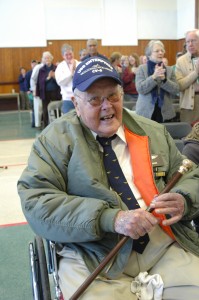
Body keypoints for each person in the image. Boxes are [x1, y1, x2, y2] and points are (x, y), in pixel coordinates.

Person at [18, 57, 199, 300]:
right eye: (94, 99)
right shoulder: (53, 142)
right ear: (76, 103)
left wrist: (183, 198)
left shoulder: (152, 131)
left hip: (162, 242)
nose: (107, 106)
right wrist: (109, 218)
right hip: (91, 252)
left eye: (113, 96)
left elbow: (191, 176)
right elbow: (36, 201)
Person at [135, 40, 179, 123]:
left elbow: (176, 89)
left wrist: (165, 80)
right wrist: (153, 77)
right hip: (145, 113)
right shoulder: (142, 68)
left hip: (165, 113)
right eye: (157, 51)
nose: (160, 53)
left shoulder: (169, 70)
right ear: (149, 54)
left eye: (162, 50)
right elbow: (140, 89)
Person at [175, 29, 199, 124]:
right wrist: (196, 73)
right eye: (188, 41)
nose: (190, 44)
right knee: (190, 136)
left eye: (193, 40)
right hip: (189, 106)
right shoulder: (181, 61)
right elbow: (179, 85)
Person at [36, 51, 61, 128]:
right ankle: (46, 126)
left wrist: (54, 77)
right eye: (45, 58)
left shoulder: (56, 68)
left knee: (57, 108)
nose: (47, 59)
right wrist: (48, 78)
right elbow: (40, 82)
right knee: (45, 109)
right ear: (43, 59)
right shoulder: (41, 70)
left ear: (51, 58)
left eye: (48, 57)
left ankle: (58, 124)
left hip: (55, 92)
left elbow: (60, 80)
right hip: (45, 92)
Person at [55, 43, 79, 114]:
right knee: (69, 120)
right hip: (67, 98)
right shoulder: (60, 67)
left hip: (79, 97)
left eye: (70, 54)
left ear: (73, 53)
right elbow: (60, 82)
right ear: (63, 56)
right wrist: (70, 73)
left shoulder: (79, 64)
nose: (69, 56)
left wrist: (75, 70)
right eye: (66, 55)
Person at [24, 60, 37, 127]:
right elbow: (25, 82)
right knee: (33, 108)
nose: (34, 65)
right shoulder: (28, 73)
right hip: (31, 93)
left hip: (38, 92)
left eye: (35, 64)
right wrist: (27, 90)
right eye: (33, 64)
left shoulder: (38, 71)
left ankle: (38, 122)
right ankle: (33, 122)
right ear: (31, 65)